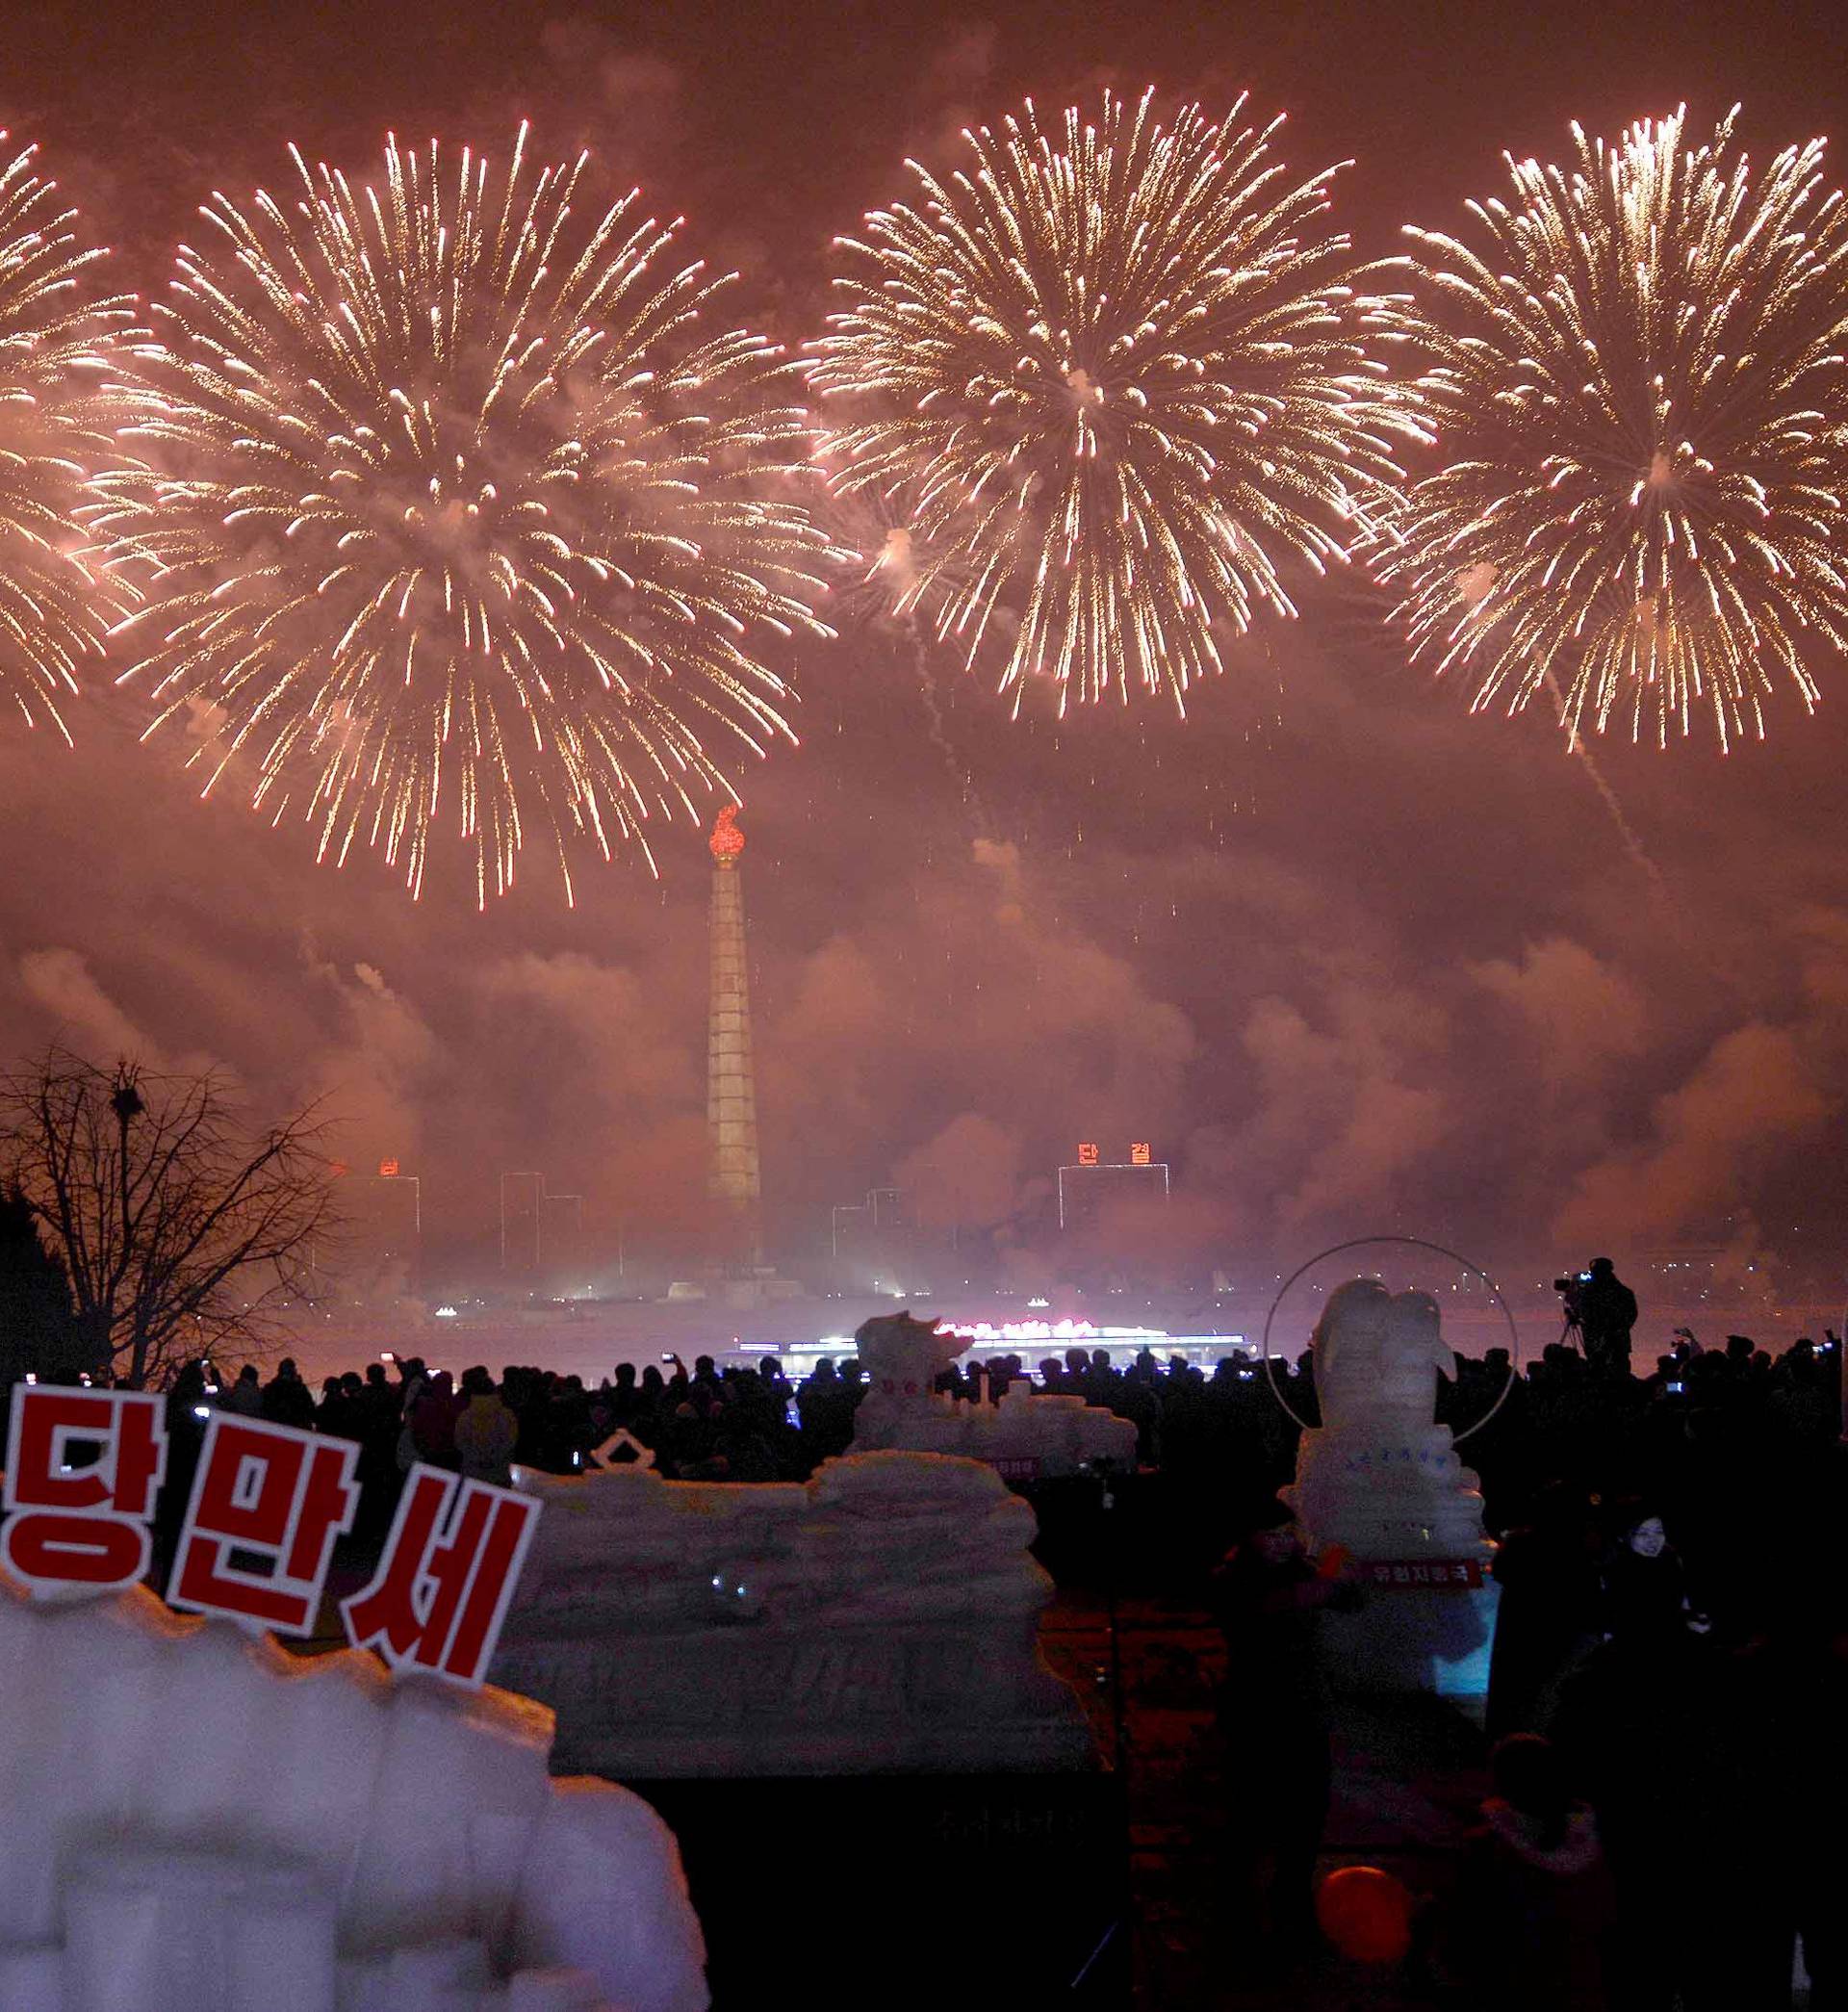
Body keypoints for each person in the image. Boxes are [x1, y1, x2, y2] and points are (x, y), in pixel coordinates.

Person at [1207, 1500, 1360, 1956]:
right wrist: (1307, 1594)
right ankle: (1238, 1912)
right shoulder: (1232, 1578)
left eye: (1286, 1531)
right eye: (1269, 1534)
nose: (1281, 1542)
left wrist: (1342, 1582)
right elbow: (1248, 1611)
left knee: (1307, 1812)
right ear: (1250, 1539)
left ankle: (1292, 1900)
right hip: (1255, 1709)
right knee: (1249, 1812)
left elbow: (1350, 1600)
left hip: (1307, 1708)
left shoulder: (1305, 1569)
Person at [1444, 1734, 1616, 2008]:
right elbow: (1605, 1920)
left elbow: (1465, 1936)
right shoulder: (1599, 1842)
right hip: (1582, 1991)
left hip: (1511, 1991)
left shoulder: (1486, 1848)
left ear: (1499, 1782)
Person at [452, 1365, 519, 1485]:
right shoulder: (506, 1414)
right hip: (499, 1473)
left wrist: (477, 1459)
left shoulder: (466, 1415)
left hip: (472, 1473)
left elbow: (460, 1442)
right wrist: (494, 1459)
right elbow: (510, 1441)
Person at [1577, 1257, 1637, 1379]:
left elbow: (1584, 1314)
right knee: (1619, 1374)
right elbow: (1631, 1316)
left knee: (1601, 1373)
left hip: (1601, 1342)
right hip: (1617, 1341)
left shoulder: (1590, 1293)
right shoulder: (1624, 1292)